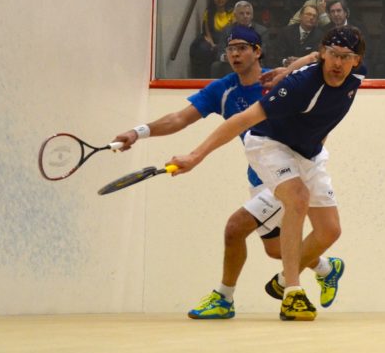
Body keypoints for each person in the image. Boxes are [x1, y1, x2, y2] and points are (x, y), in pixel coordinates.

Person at [117, 26, 345, 319]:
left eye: (242, 47)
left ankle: (224, 298)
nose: (235, 54)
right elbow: (179, 118)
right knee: (277, 251)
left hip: (289, 174)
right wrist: (139, 132)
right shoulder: (223, 90)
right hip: (260, 176)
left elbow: (318, 84)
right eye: (230, 49)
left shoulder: (281, 81)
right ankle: (326, 268)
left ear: (257, 51)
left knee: (235, 228)